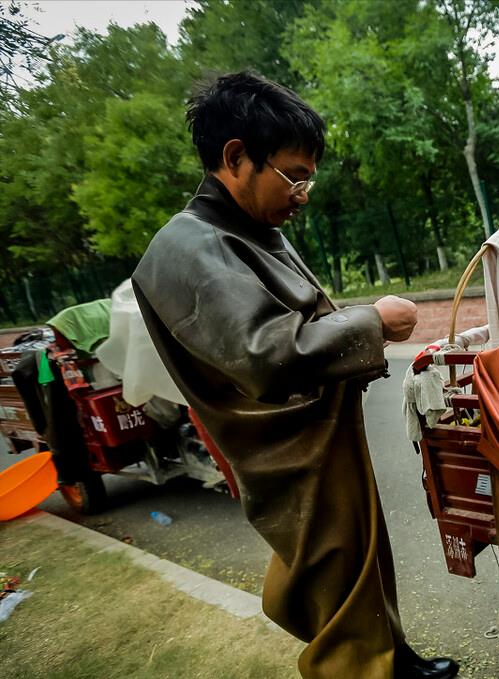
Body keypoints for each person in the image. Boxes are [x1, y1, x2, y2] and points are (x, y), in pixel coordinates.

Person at [132, 71, 458, 679]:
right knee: (331, 567)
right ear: (235, 157)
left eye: (309, 176)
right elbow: (264, 354)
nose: (303, 191)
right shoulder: (186, 246)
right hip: (283, 448)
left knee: (358, 560)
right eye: (293, 173)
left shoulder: (251, 227)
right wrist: (373, 323)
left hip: (320, 430)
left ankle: (394, 661)